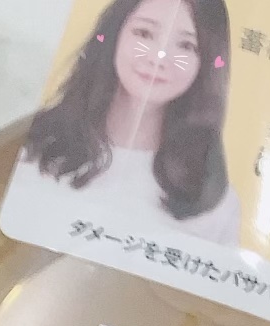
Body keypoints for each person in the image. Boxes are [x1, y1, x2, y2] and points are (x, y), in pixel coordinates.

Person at [22, 0, 241, 246]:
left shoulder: (214, 201)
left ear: (206, 62)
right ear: (114, 33)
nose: (159, 58)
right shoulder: (31, 144)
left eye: (186, 45)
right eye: (144, 33)